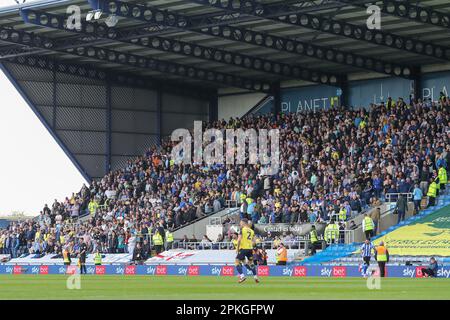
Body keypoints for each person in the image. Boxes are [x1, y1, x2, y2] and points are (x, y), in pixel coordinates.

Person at [235, 219, 259, 283]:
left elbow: (239, 240)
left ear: (243, 223)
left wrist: (237, 249)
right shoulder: (251, 231)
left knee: (237, 261)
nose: (240, 224)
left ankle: (242, 276)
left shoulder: (242, 230)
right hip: (250, 249)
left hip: (243, 248)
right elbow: (254, 242)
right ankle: (255, 277)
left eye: (240, 223)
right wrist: (250, 245)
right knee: (250, 263)